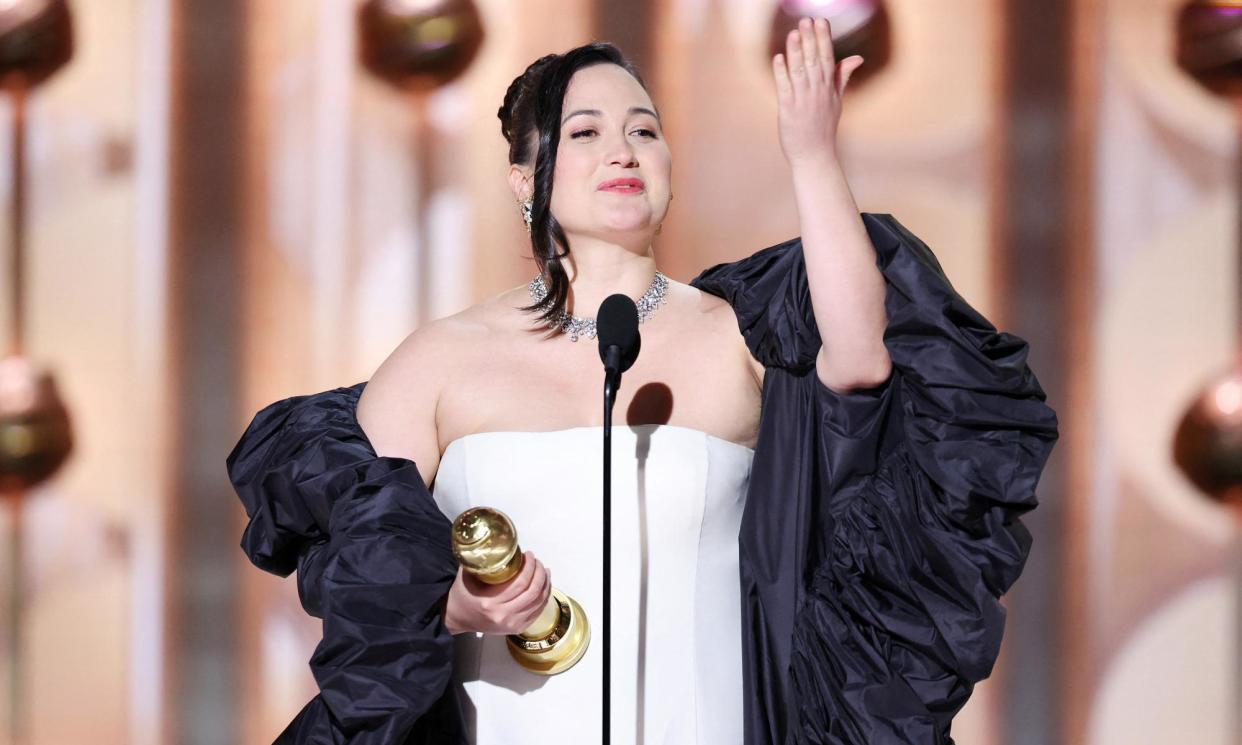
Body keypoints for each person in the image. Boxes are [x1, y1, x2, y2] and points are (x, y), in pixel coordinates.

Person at [227, 16, 1060, 745]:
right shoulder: (441, 358)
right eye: (585, 132)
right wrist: (455, 606)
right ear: (527, 178)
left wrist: (810, 153)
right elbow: (355, 559)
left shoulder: (732, 332)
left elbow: (862, 358)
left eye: (645, 130)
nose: (622, 150)